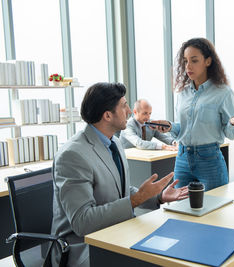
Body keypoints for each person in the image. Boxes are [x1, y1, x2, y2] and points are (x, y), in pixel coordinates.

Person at [51, 82, 188, 267]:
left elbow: (121, 192)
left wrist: (158, 197)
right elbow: (82, 222)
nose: (130, 111)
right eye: (124, 106)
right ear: (107, 115)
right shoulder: (72, 155)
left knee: (176, 247)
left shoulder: (114, 143)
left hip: (117, 232)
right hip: (82, 247)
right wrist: (136, 199)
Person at [151, 38, 234, 191]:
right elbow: (183, 129)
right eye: (185, 61)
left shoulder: (223, 92)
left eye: (194, 60)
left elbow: (232, 134)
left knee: (215, 209)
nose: (188, 66)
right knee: (180, 209)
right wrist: (170, 127)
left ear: (207, 61)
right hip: (182, 159)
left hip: (210, 160)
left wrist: (232, 124)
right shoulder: (183, 93)